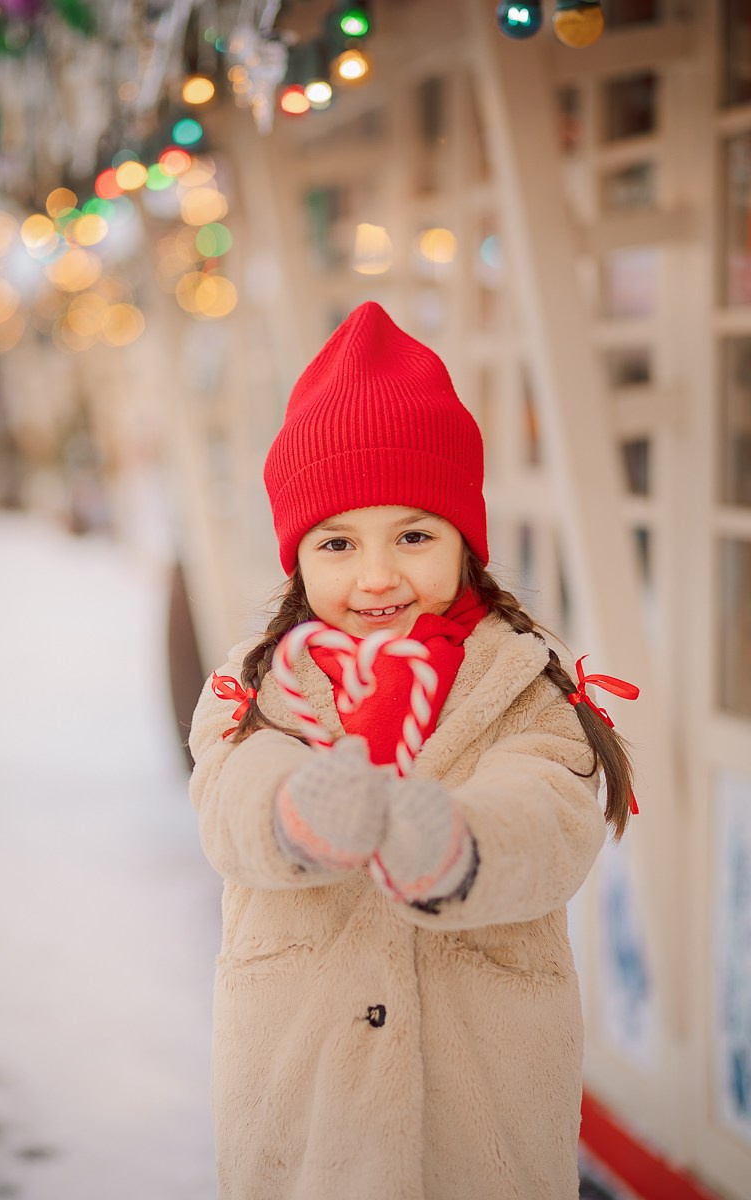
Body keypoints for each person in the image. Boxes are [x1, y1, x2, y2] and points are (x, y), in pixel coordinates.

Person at [189, 301, 636, 1200]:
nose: (378, 576)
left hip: (481, 1116)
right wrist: (295, 810)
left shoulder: (519, 681)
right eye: (338, 543)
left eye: (415, 536)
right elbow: (228, 794)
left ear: (465, 540)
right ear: (298, 557)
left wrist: (457, 841)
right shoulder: (261, 681)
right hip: (305, 1108)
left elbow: (550, 812)